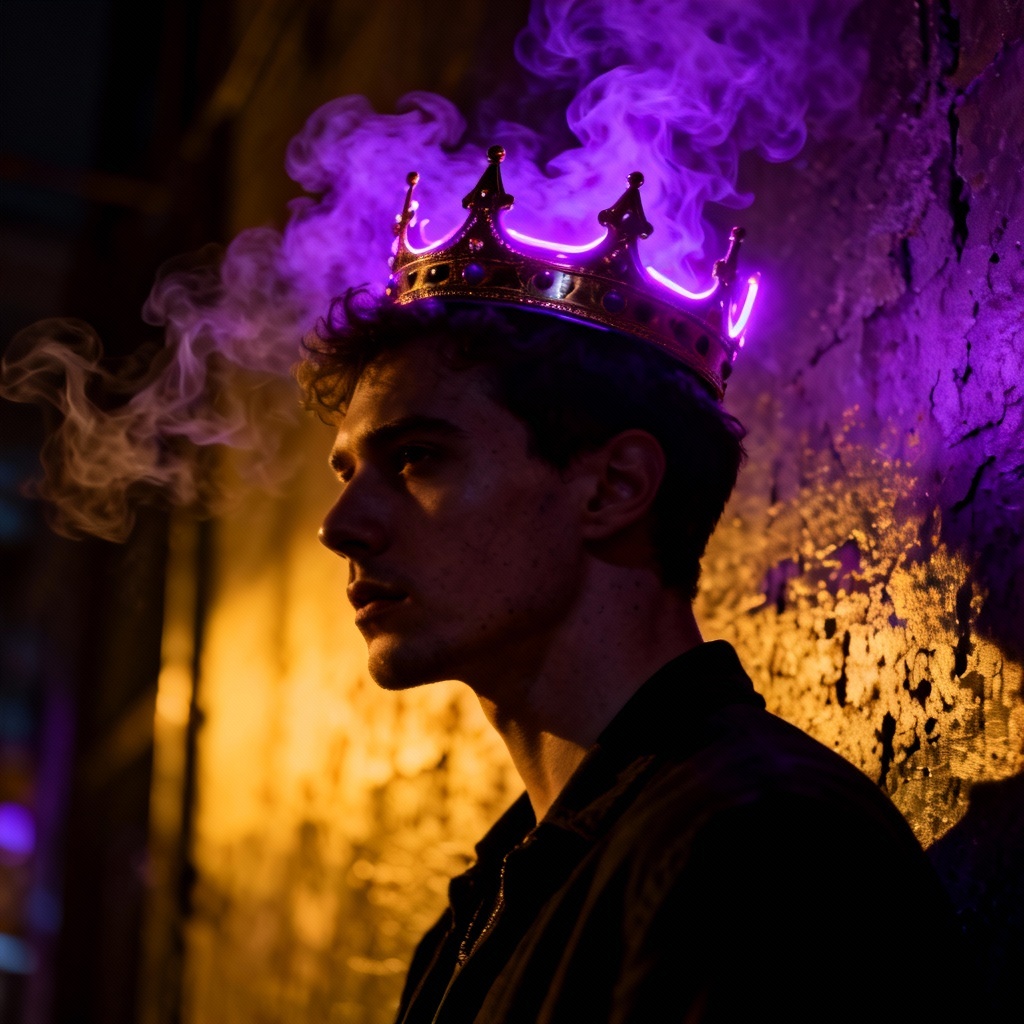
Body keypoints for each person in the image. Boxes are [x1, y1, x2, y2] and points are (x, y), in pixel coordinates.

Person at [300, 156, 967, 1023]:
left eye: (417, 458)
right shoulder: (499, 895)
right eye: (348, 471)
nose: (340, 525)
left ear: (613, 489)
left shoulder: (758, 846)